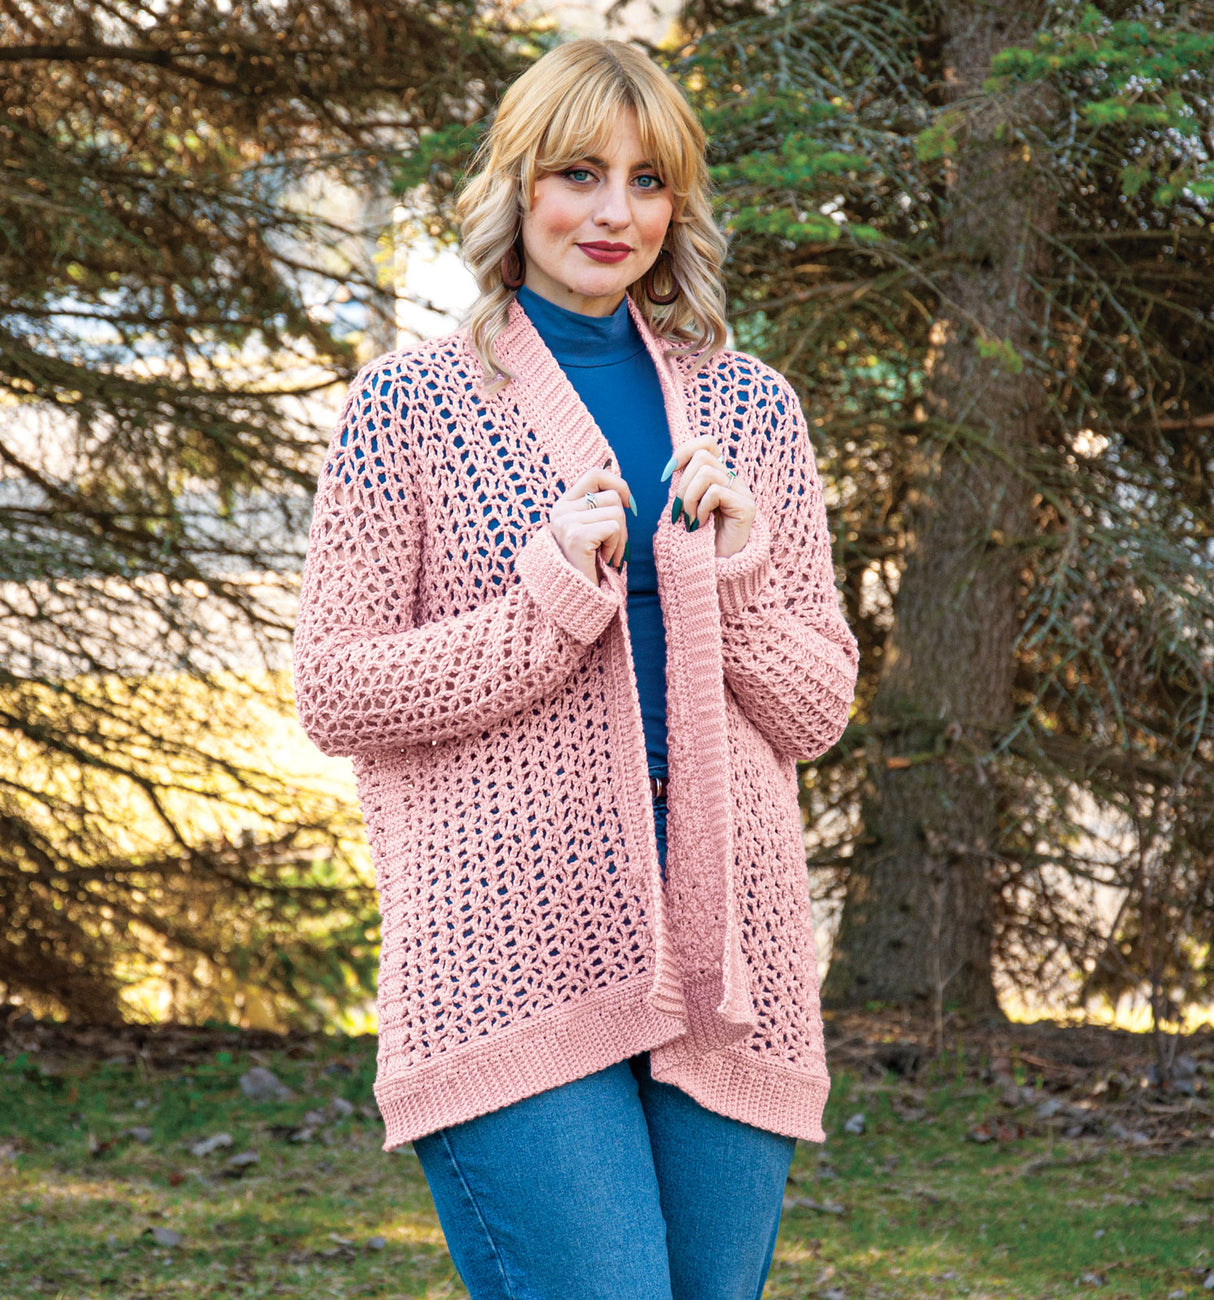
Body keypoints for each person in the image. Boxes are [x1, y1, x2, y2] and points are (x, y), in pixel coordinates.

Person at [293, 37, 858, 1300]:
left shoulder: (751, 408)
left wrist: (736, 579)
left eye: (647, 182)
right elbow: (336, 687)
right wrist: (549, 601)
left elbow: (815, 705)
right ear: (516, 186)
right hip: (506, 952)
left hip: (727, 955)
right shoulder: (407, 407)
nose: (613, 213)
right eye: (577, 175)